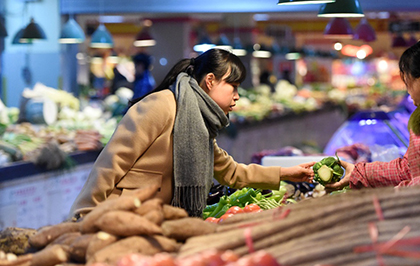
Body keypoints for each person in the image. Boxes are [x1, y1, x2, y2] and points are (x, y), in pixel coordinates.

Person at [69, 49, 314, 218]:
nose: (237, 96)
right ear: (210, 81)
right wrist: (83, 217)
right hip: (121, 214)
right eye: (234, 87)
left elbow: (230, 172)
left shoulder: (199, 120)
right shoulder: (161, 105)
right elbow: (110, 164)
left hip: (158, 219)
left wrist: (286, 173)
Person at [327, 37, 420, 190]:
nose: (408, 92)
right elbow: (409, 169)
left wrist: (403, 191)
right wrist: (360, 173)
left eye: (408, 83)